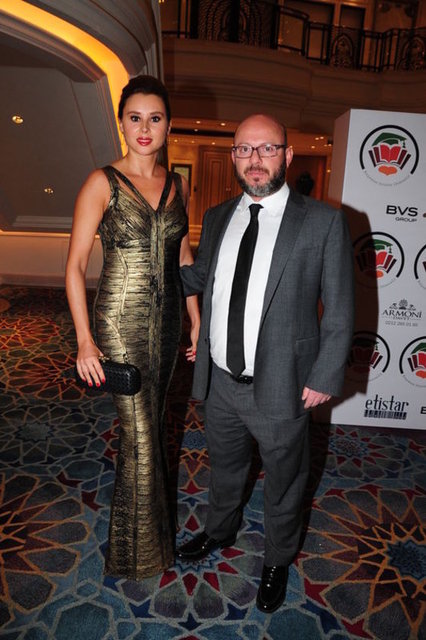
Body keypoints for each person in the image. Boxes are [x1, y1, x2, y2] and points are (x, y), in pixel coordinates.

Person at [176, 114, 354, 613]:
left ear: (287, 155)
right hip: (220, 380)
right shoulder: (217, 216)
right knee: (224, 468)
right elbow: (203, 278)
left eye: (267, 149)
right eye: (244, 150)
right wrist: (148, 263)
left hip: (283, 383)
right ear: (233, 156)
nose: (255, 160)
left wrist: (324, 375)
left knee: (285, 481)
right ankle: (219, 530)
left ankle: (277, 558)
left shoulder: (322, 222)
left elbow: (341, 307)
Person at [65, 75, 199, 580]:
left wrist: (196, 320)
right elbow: (75, 267)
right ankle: (137, 554)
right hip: (119, 323)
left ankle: (150, 538)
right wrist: (85, 340)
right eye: (135, 118)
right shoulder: (101, 183)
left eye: (155, 118)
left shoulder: (178, 184)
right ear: (121, 123)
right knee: (141, 432)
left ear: (168, 125)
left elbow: (183, 257)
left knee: (156, 426)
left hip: (167, 323)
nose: (144, 128)